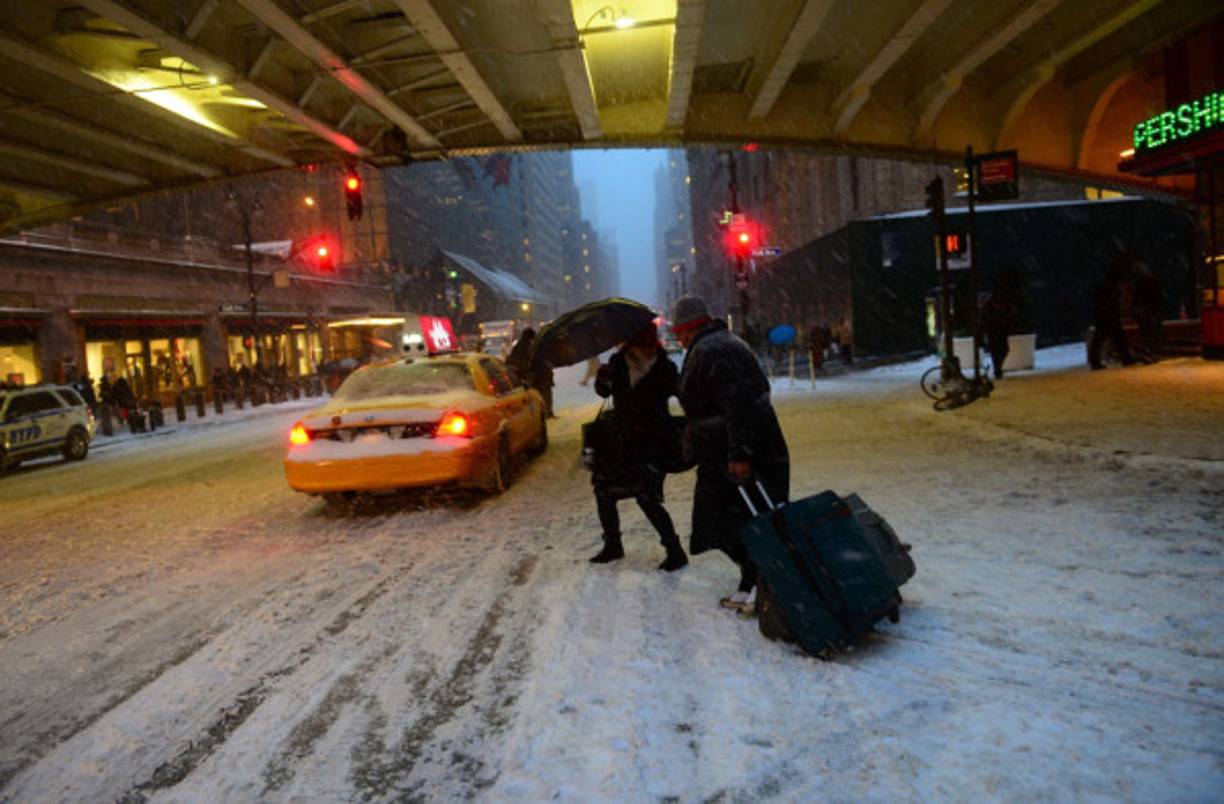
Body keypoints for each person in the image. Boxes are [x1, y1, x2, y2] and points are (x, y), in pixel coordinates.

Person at [671, 295, 790, 612]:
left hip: (739, 455)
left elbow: (738, 405)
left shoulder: (716, 349)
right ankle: (752, 578)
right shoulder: (716, 345)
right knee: (730, 521)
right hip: (726, 452)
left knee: (741, 521)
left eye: (679, 333)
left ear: (690, 328)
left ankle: (765, 582)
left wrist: (740, 454)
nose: (678, 340)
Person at [588, 322, 688, 572]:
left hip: (652, 442)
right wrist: (602, 378)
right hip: (620, 441)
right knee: (604, 490)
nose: (648, 346)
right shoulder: (618, 362)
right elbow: (603, 392)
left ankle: (674, 550)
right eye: (644, 341)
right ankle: (612, 544)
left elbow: (682, 394)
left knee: (647, 497)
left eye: (651, 341)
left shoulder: (665, 367)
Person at [1088, 255, 1136, 370]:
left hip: (1104, 315)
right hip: (1108, 315)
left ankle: (1096, 361)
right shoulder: (1109, 287)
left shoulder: (1103, 286)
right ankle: (1125, 358)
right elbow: (1112, 301)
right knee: (1116, 338)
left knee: (1102, 339)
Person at [980, 291, 1017, 379]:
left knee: (1003, 350)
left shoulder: (1003, 306)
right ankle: (997, 369)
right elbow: (984, 319)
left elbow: (1011, 314)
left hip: (1001, 331)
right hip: (993, 331)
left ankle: (998, 368)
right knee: (995, 351)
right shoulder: (988, 307)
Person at [1132, 264, 1162, 362]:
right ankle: (1151, 352)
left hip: (1144, 309)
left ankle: (1148, 352)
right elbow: (1155, 297)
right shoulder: (1150, 283)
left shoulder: (1140, 283)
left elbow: (1136, 297)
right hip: (1148, 309)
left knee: (1146, 332)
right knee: (1150, 332)